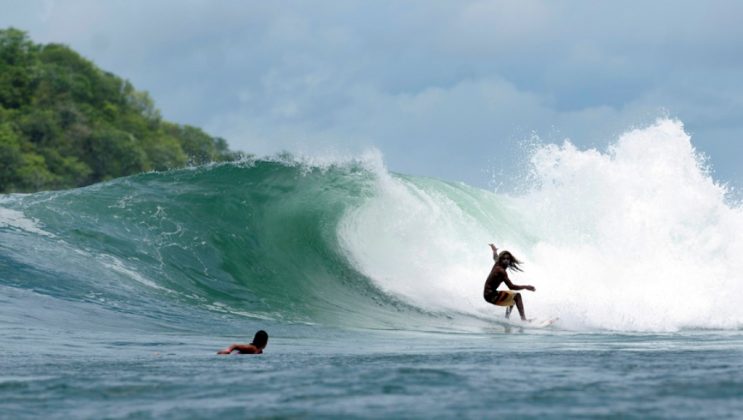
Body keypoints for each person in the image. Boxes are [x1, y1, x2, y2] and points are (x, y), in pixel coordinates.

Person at [483, 244, 536, 321]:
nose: (506, 260)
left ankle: (506, 319)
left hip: (490, 294)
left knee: (512, 298)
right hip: (490, 296)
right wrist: (526, 287)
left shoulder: (498, 263)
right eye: (504, 259)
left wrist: (494, 251)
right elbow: (511, 286)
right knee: (517, 296)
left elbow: (495, 257)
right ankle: (523, 319)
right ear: (501, 260)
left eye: (508, 259)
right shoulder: (501, 270)